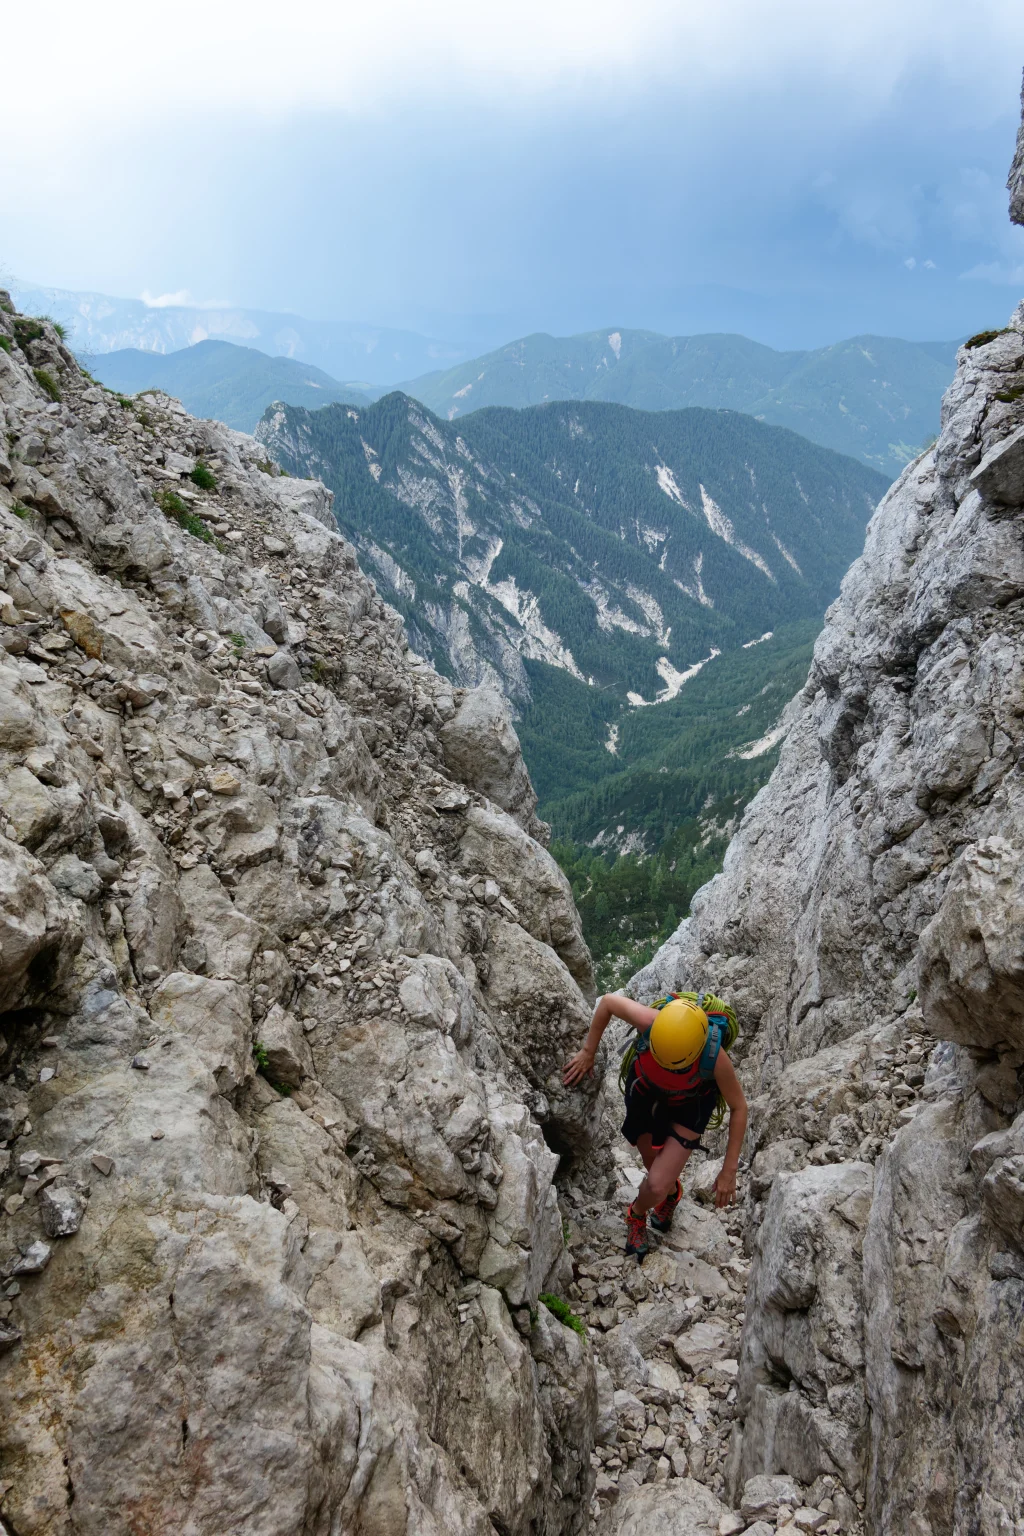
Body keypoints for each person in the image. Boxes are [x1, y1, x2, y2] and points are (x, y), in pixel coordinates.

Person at [563, 990, 748, 1258]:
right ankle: (672, 1194)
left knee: (656, 1185)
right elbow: (608, 1003)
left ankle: (636, 1213)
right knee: (654, 1169)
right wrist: (587, 1051)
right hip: (646, 1094)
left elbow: (739, 1107)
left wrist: (729, 1171)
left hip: (690, 1105)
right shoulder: (652, 1021)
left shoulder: (714, 1057)